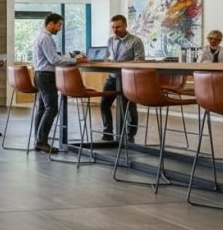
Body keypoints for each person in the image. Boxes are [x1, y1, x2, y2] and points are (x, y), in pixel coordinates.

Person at [32, 13, 88, 153]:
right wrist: (76, 60)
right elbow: (54, 60)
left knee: (43, 109)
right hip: (46, 76)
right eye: (59, 25)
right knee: (52, 109)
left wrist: (70, 57)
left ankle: (38, 140)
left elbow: (54, 57)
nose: (60, 28)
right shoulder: (46, 38)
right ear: (50, 23)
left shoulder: (41, 36)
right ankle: (41, 141)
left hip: (40, 74)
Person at [99, 14, 146, 142]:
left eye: (118, 27)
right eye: (113, 27)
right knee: (104, 104)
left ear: (125, 25)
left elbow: (140, 60)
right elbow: (108, 57)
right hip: (112, 77)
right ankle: (108, 133)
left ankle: (130, 135)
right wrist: (106, 61)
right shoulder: (110, 40)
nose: (115, 30)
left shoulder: (136, 41)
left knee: (128, 108)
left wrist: (123, 64)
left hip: (128, 79)